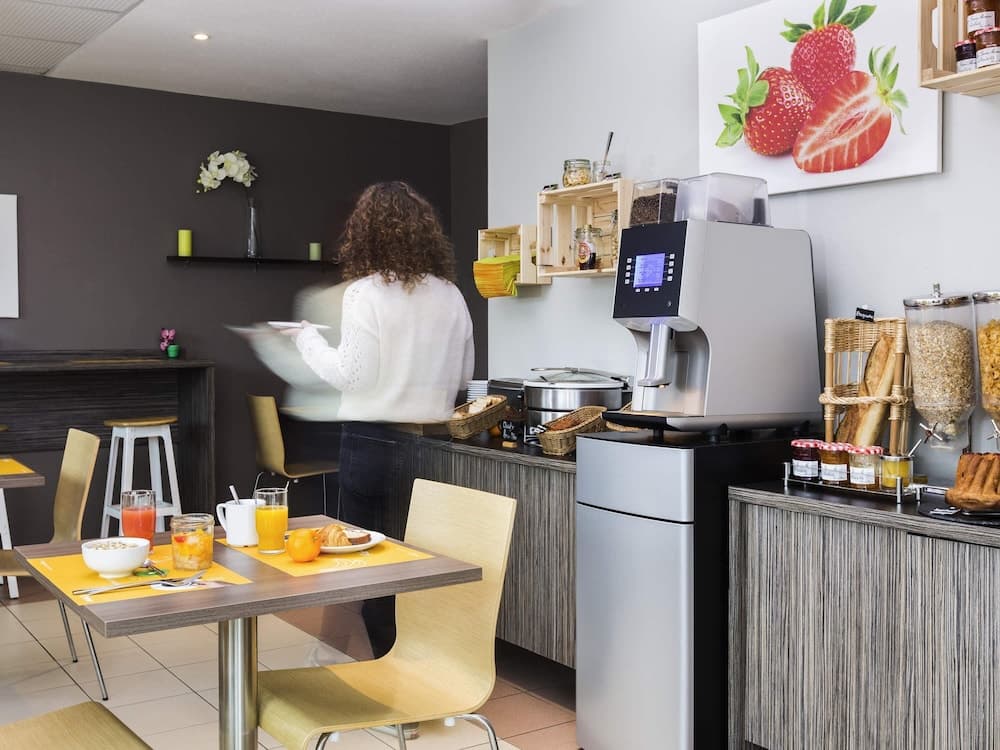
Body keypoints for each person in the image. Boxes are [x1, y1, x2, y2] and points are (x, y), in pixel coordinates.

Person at [287, 181, 474, 663]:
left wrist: (307, 341)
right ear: (427, 234)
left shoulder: (365, 294)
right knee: (420, 558)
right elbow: (464, 376)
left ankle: (347, 663)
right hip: (435, 446)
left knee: (361, 558)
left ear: (365, 234)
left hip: (372, 441)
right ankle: (397, 667)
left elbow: (351, 375)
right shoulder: (451, 296)